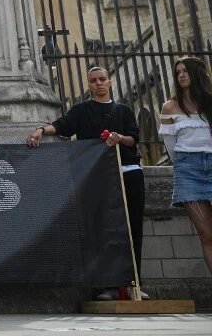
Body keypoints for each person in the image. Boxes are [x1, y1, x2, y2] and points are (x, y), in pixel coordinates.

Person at [25, 66, 146, 301]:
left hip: (128, 175)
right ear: (88, 84)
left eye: (102, 79)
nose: (98, 83)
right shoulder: (81, 111)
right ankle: (104, 286)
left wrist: (119, 138)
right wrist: (40, 130)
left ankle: (135, 284)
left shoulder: (123, 111)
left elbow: (134, 139)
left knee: (133, 231)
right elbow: (60, 126)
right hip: (96, 178)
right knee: (99, 229)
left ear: (109, 82)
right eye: (93, 80)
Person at [159, 57, 212, 275]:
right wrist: (183, 164)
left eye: (186, 71)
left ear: (197, 74)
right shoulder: (169, 107)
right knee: (206, 234)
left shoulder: (210, 102)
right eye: (178, 72)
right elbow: (170, 147)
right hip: (188, 170)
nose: (181, 75)